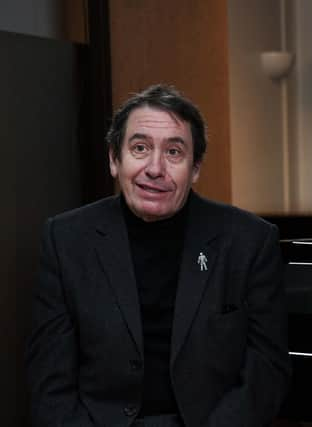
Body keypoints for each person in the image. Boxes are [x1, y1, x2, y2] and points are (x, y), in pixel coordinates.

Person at [26, 84, 291, 427]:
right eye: (139, 148)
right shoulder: (66, 239)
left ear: (195, 169)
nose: (155, 168)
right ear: (113, 159)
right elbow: (49, 382)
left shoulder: (249, 241)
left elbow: (267, 370)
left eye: (174, 153)